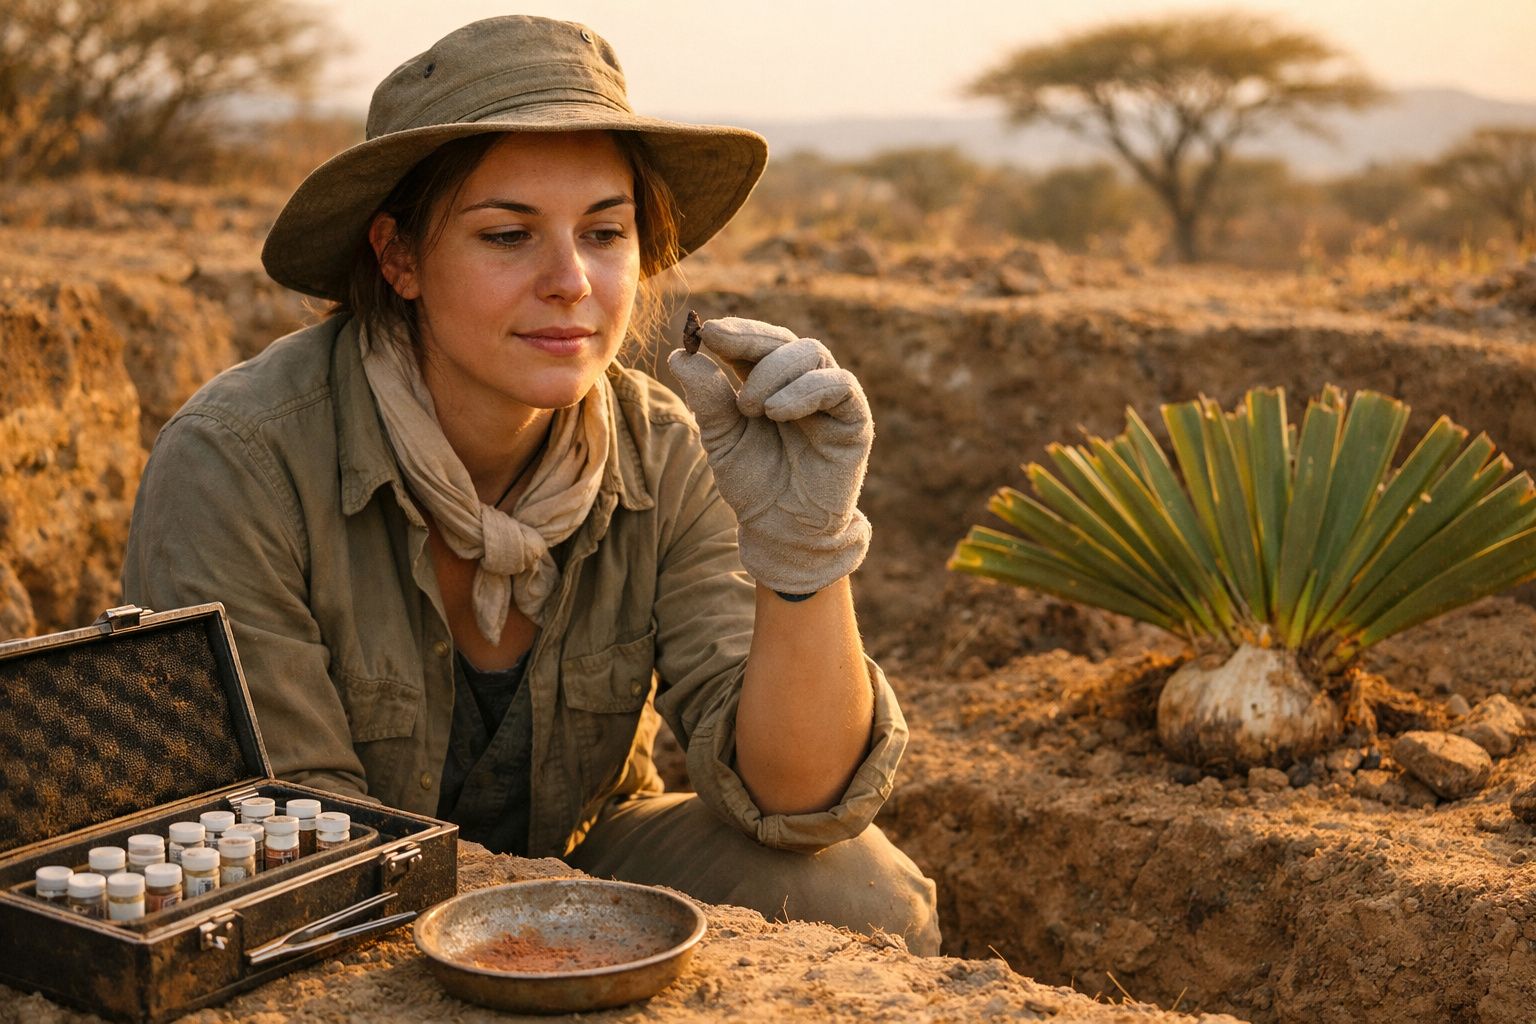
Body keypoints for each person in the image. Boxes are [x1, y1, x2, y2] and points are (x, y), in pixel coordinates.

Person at [122, 14, 939, 954]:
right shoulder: (239, 459)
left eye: (605, 232)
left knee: (861, 895)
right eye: (508, 235)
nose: (571, 281)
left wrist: (804, 552)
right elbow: (294, 842)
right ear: (398, 257)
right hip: (330, 898)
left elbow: (799, 801)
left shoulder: (666, 448)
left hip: (580, 857)